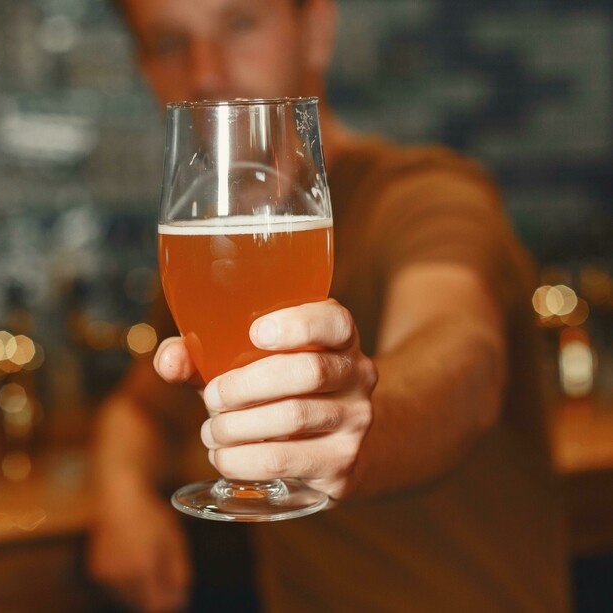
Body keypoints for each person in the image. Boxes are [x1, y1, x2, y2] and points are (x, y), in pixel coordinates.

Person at [87, 0, 571, 611]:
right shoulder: (211, 251)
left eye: (240, 24)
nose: (205, 71)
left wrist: (357, 423)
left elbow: (462, 364)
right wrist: (122, 495)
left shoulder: (429, 194)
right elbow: (141, 406)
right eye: (167, 43)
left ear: (315, 32)